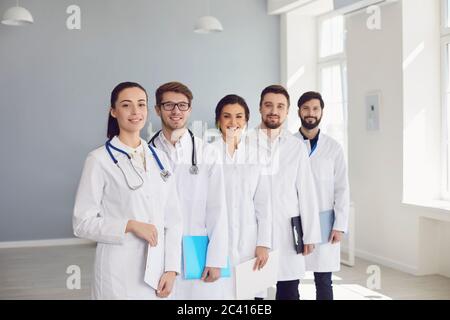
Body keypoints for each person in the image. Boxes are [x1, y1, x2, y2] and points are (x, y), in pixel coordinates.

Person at [73, 82, 183, 299]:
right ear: (113, 111)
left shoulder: (159, 158)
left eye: (141, 104)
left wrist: (171, 268)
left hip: (157, 271)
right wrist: (130, 226)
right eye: (126, 105)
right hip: (118, 272)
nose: (135, 112)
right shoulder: (99, 160)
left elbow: (174, 219)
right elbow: (82, 223)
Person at [149, 81, 229, 300]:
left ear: (189, 109)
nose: (176, 111)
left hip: (197, 250)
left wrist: (216, 259)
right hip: (157, 251)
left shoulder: (207, 152)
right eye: (168, 105)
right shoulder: (146, 154)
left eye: (182, 105)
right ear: (157, 109)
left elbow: (218, 209)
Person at [249, 85, 321, 300]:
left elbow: (307, 192)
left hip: (287, 230)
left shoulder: (296, 146)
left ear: (287, 111)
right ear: (260, 108)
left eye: (280, 106)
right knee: (254, 289)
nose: (274, 110)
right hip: (253, 230)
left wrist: (310, 234)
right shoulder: (245, 143)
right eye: (269, 105)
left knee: (289, 289)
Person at [211, 94, 272, 299]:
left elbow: (264, 204)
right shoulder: (206, 154)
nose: (233, 122)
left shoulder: (257, 155)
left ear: (246, 120)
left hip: (249, 241)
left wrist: (263, 243)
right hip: (217, 242)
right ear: (218, 120)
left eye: (239, 116)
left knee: (251, 297)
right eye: (227, 116)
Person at [294, 91, 350, 300]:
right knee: (291, 276)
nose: (311, 113)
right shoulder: (288, 145)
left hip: (324, 220)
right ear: (299, 111)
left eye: (315, 108)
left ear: (322, 112)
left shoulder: (333, 148)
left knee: (324, 278)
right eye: (306, 108)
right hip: (295, 220)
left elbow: (342, 188)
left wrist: (340, 225)